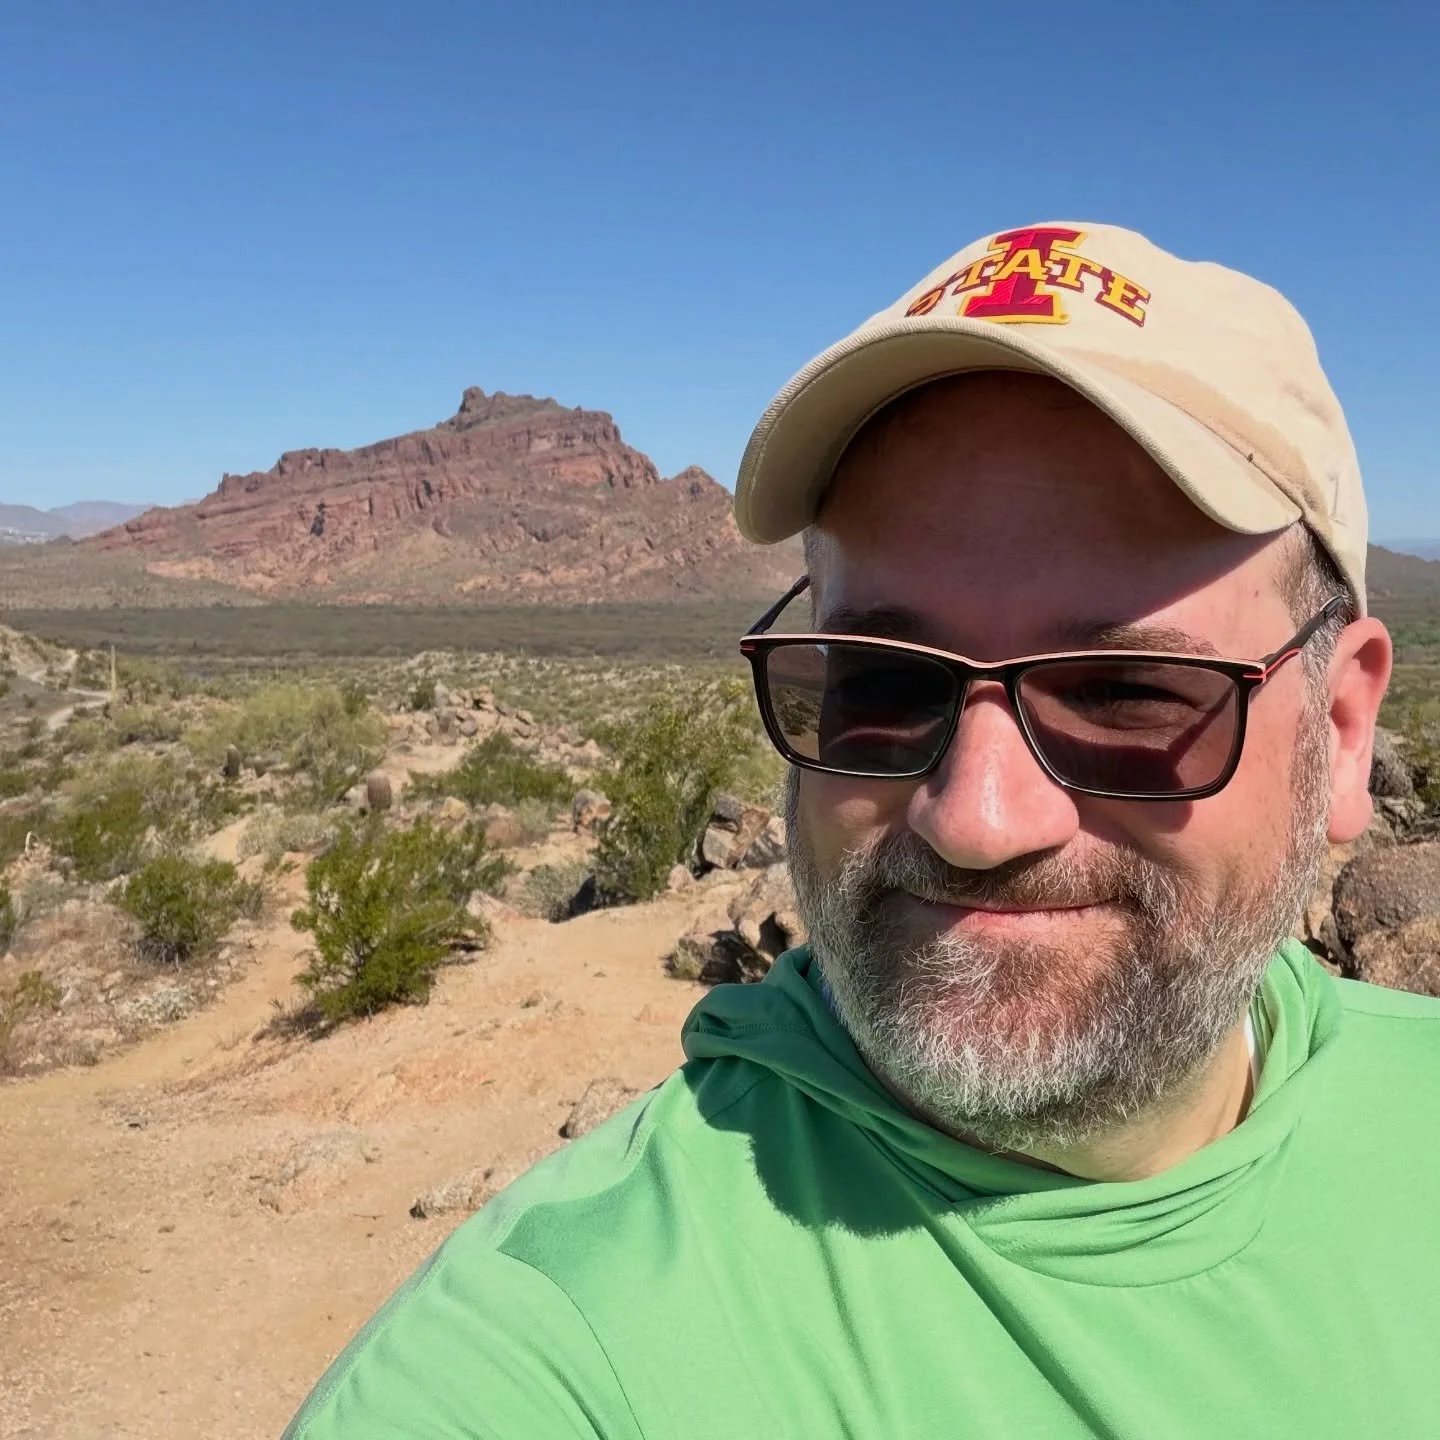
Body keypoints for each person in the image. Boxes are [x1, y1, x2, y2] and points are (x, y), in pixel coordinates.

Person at [283, 223, 1439, 1439]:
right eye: (883, 682)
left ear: (1345, 731)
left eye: (1125, 693)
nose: (977, 819)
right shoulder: (558, 1350)